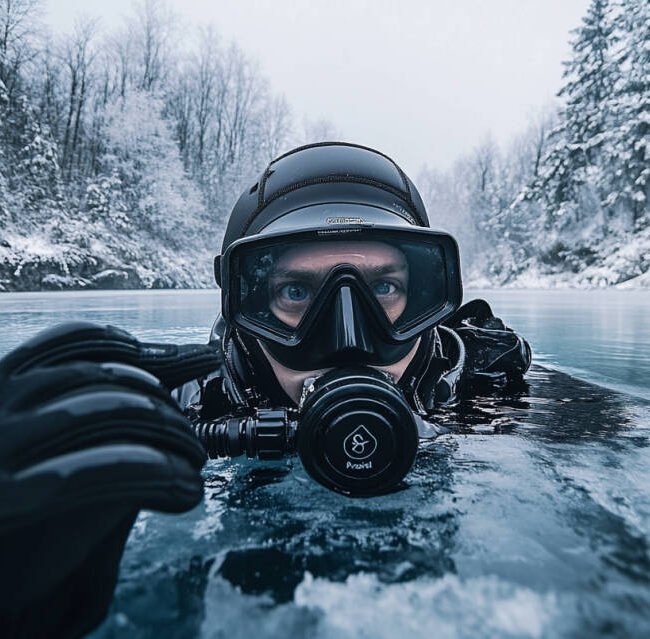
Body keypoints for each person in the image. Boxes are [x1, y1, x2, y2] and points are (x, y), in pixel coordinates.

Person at [180, 141, 532, 495]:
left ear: (423, 299)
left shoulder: (487, 381)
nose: (350, 343)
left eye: (383, 288)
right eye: (296, 292)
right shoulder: (186, 406)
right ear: (248, 314)